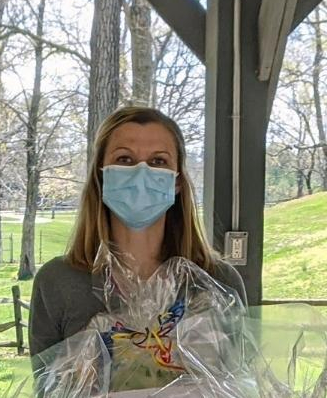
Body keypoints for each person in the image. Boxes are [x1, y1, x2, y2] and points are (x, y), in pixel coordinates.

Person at [28, 106, 245, 360]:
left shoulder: (218, 281)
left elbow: (238, 383)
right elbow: (49, 393)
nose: (142, 172)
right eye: (125, 159)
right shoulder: (58, 283)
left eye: (158, 161)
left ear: (176, 182)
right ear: (102, 176)